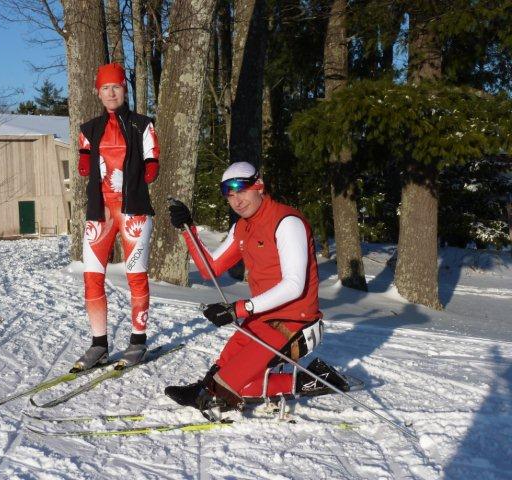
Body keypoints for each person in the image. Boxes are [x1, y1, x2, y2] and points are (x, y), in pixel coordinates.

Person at [165, 162, 348, 411]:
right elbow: (210, 269)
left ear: (259, 186)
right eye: (229, 195)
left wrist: (239, 309)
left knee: (230, 389)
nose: (236, 200)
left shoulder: (287, 222)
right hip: (262, 319)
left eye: (241, 190)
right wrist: (188, 229)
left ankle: (313, 379)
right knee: (220, 373)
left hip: (296, 324)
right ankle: (206, 388)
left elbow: (294, 286)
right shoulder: (242, 227)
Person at [71, 63, 160, 372]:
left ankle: (138, 341)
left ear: (125, 90)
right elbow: (84, 153)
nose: (111, 93)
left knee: (136, 276)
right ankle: (99, 344)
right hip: (100, 213)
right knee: (92, 277)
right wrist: (84, 159)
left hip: (133, 211)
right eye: (105, 88)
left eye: (117, 87)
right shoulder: (89, 128)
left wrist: (151, 165)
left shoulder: (142, 124)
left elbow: (152, 154)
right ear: (98, 93)